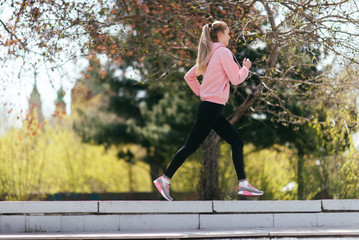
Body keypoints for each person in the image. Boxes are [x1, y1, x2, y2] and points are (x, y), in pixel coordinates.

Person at [153, 20, 263, 201]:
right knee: (191, 146)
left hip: (211, 107)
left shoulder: (208, 53)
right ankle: (164, 179)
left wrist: (203, 93)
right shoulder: (222, 52)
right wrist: (245, 68)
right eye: (228, 33)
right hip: (211, 107)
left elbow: (189, 77)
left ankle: (243, 184)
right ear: (220, 34)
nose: (230, 36)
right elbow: (236, 79)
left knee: (237, 142)